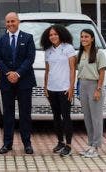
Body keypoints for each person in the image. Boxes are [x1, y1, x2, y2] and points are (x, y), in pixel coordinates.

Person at [0, 12, 37, 154]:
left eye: (13, 21)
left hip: (24, 81)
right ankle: (7, 144)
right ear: (5, 23)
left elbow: (30, 58)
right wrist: (8, 73)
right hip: (7, 82)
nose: (10, 24)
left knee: (25, 113)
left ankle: (27, 144)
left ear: (18, 21)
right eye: (8, 22)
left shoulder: (28, 38)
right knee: (8, 114)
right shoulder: (0, 40)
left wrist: (17, 73)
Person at [41, 24, 76, 157]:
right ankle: (60, 142)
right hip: (51, 88)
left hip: (64, 89)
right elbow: (47, 70)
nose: (53, 37)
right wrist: (45, 87)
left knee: (66, 116)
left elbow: (72, 69)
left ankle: (68, 145)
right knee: (56, 117)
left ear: (60, 34)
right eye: (50, 35)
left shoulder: (68, 48)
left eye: (55, 34)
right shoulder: (48, 50)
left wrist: (71, 87)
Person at [77, 28, 106, 159]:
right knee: (87, 118)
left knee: (96, 118)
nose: (84, 39)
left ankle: (96, 147)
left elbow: (102, 72)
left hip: (94, 85)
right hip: (82, 85)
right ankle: (90, 145)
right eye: (82, 37)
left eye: (86, 37)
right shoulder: (80, 53)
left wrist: (98, 89)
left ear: (92, 38)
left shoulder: (99, 53)